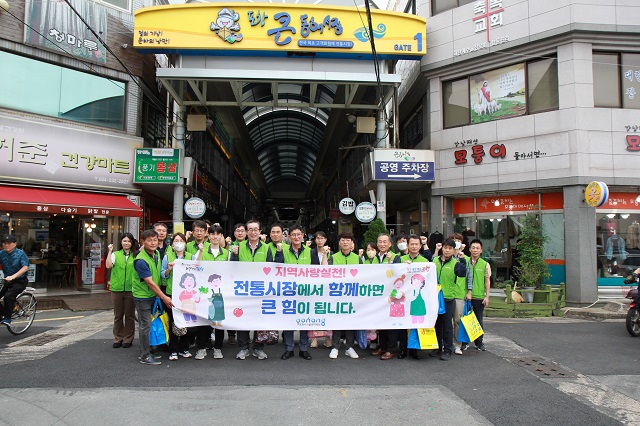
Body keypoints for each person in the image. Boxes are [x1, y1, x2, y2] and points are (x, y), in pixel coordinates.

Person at [230, 219, 283, 360]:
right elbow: (232, 270)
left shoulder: (267, 248)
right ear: (246, 232)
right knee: (242, 320)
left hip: (261, 291)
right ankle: (243, 348)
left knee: (259, 320)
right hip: (243, 291)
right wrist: (234, 256)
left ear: (260, 232)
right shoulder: (238, 248)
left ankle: (258, 348)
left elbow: (272, 269)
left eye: (256, 229)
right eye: (250, 229)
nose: (253, 232)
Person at [280, 225, 323, 361]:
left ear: (303, 235)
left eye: (299, 234)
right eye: (293, 235)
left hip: (306, 293)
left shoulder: (311, 252)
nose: (296, 237)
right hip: (288, 291)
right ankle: (289, 349)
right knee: (288, 321)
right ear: (289, 237)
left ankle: (304, 349)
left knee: (304, 321)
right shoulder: (283, 251)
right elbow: (277, 269)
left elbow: (316, 271)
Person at [132, 229, 174, 365]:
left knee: (154, 323)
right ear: (143, 242)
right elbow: (149, 282)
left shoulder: (156, 254)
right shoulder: (140, 260)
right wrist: (164, 297)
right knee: (145, 326)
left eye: (155, 240)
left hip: (152, 296)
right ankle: (144, 356)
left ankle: (151, 350)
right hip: (142, 297)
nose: (153, 242)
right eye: (149, 240)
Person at [193, 225, 229, 360]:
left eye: (218, 234)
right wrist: (200, 252)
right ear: (209, 235)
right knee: (204, 322)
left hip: (220, 293)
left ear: (221, 236)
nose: (215, 237)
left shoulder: (226, 253)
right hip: (204, 292)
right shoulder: (202, 249)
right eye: (212, 234)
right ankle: (201, 348)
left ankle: (218, 348)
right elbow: (194, 266)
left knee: (219, 322)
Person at [160, 232, 197, 361]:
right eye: (176, 241)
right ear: (172, 244)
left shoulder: (190, 257)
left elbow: (197, 272)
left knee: (186, 321)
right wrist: (169, 269)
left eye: (181, 241)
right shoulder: (167, 257)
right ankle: (173, 350)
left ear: (185, 243)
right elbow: (162, 275)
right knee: (173, 322)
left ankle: (184, 348)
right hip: (172, 294)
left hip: (187, 295)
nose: (179, 243)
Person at [327, 232, 361, 360]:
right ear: (339, 242)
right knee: (337, 321)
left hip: (352, 295)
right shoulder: (333, 257)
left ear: (352, 243)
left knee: (350, 321)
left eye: (348, 240)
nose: (345, 242)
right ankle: (335, 347)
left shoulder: (357, 258)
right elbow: (325, 272)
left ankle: (349, 347)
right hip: (337, 295)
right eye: (343, 240)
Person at [433, 238, 467, 361]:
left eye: (450, 248)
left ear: (453, 250)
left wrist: (462, 259)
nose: (447, 250)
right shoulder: (434, 261)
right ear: (442, 248)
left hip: (448, 298)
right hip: (435, 298)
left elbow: (462, 273)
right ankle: (437, 347)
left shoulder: (456, 263)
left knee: (447, 326)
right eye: (445, 247)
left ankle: (448, 350)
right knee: (437, 325)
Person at [397, 234, 429, 360]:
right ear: (408, 245)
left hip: (418, 297)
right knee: (403, 324)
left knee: (416, 323)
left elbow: (428, 281)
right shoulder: (400, 259)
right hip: (404, 297)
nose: (414, 246)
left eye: (417, 244)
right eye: (412, 244)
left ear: (420, 246)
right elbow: (396, 278)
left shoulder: (425, 262)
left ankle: (415, 350)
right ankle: (403, 349)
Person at [370, 233, 401, 360]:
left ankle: (392, 348)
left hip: (391, 295)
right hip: (378, 294)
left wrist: (390, 262)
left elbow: (397, 274)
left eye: (385, 242)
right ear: (377, 244)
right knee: (381, 321)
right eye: (380, 242)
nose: (382, 244)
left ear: (390, 244)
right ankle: (382, 346)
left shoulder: (396, 257)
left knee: (391, 323)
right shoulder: (374, 257)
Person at [106, 233, 137, 349]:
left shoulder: (135, 255)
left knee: (129, 315)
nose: (126, 243)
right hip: (116, 289)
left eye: (129, 241)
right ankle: (118, 338)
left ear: (132, 243)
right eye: (124, 241)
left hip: (130, 289)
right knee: (118, 315)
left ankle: (128, 339)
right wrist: (109, 251)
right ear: (121, 242)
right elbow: (108, 265)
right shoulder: (115, 254)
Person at [309, 231, 333, 349]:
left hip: (326, 287)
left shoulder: (331, 253)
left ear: (325, 240)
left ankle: (327, 337)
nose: (320, 240)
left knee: (326, 311)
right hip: (313, 286)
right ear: (315, 240)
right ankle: (314, 338)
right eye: (318, 238)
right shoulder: (310, 252)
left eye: (322, 238)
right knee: (314, 311)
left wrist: (325, 254)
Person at [224, 222, 246, 345]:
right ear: (234, 233)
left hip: (246, 283)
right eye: (237, 231)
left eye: (242, 230)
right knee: (233, 308)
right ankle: (232, 334)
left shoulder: (249, 246)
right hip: (232, 282)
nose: (240, 233)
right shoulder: (230, 246)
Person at [466, 239, 491, 351]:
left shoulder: (485, 264)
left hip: (479, 296)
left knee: (478, 320)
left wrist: (487, 296)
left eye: (477, 248)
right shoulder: (465, 262)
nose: (475, 250)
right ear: (470, 249)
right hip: (466, 296)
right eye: (473, 248)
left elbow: (487, 280)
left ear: (481, 251)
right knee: (464, 320)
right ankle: (464, 342)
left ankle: (479, 342)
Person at [0, 234, 29, 326]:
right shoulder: (2, 253)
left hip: (20, 281)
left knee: (8, 296)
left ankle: (8, 317)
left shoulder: (20, 253)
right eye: (4, 243)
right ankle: (3, 313)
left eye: (9, 243)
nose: (6, 245)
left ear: (15, 244)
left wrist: (13, 276)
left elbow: (25, 267)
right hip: (7, 280)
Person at [449, 232, 469, 354]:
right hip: (446, 294)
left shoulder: (465, 259)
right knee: (446, 321)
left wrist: (469, 292)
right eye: (454, 240)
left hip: (460, 294)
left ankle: (457, 343)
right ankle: (447, 343)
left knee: (457, 320)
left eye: (458, 240)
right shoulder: (446, 257)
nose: (456, 242)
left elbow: (469, 277)